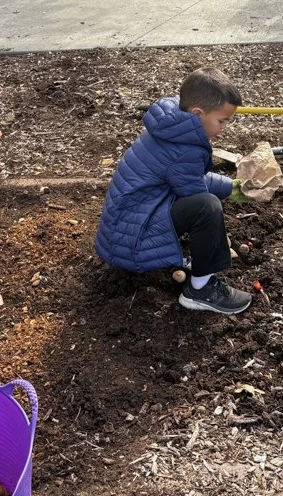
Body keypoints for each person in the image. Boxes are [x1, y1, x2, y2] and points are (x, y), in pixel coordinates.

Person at [95, 67, 253, 315]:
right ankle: (199, 290)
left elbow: (187, 177)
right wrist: (215, 236)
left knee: (204, 204)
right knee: (208, 208)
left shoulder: (171, 126)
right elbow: (198, 197)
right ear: (198, 113)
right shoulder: (186, 149)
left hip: (122, 229)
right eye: (221, 121)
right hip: (132, 243)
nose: (223, 128)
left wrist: (230, 187)